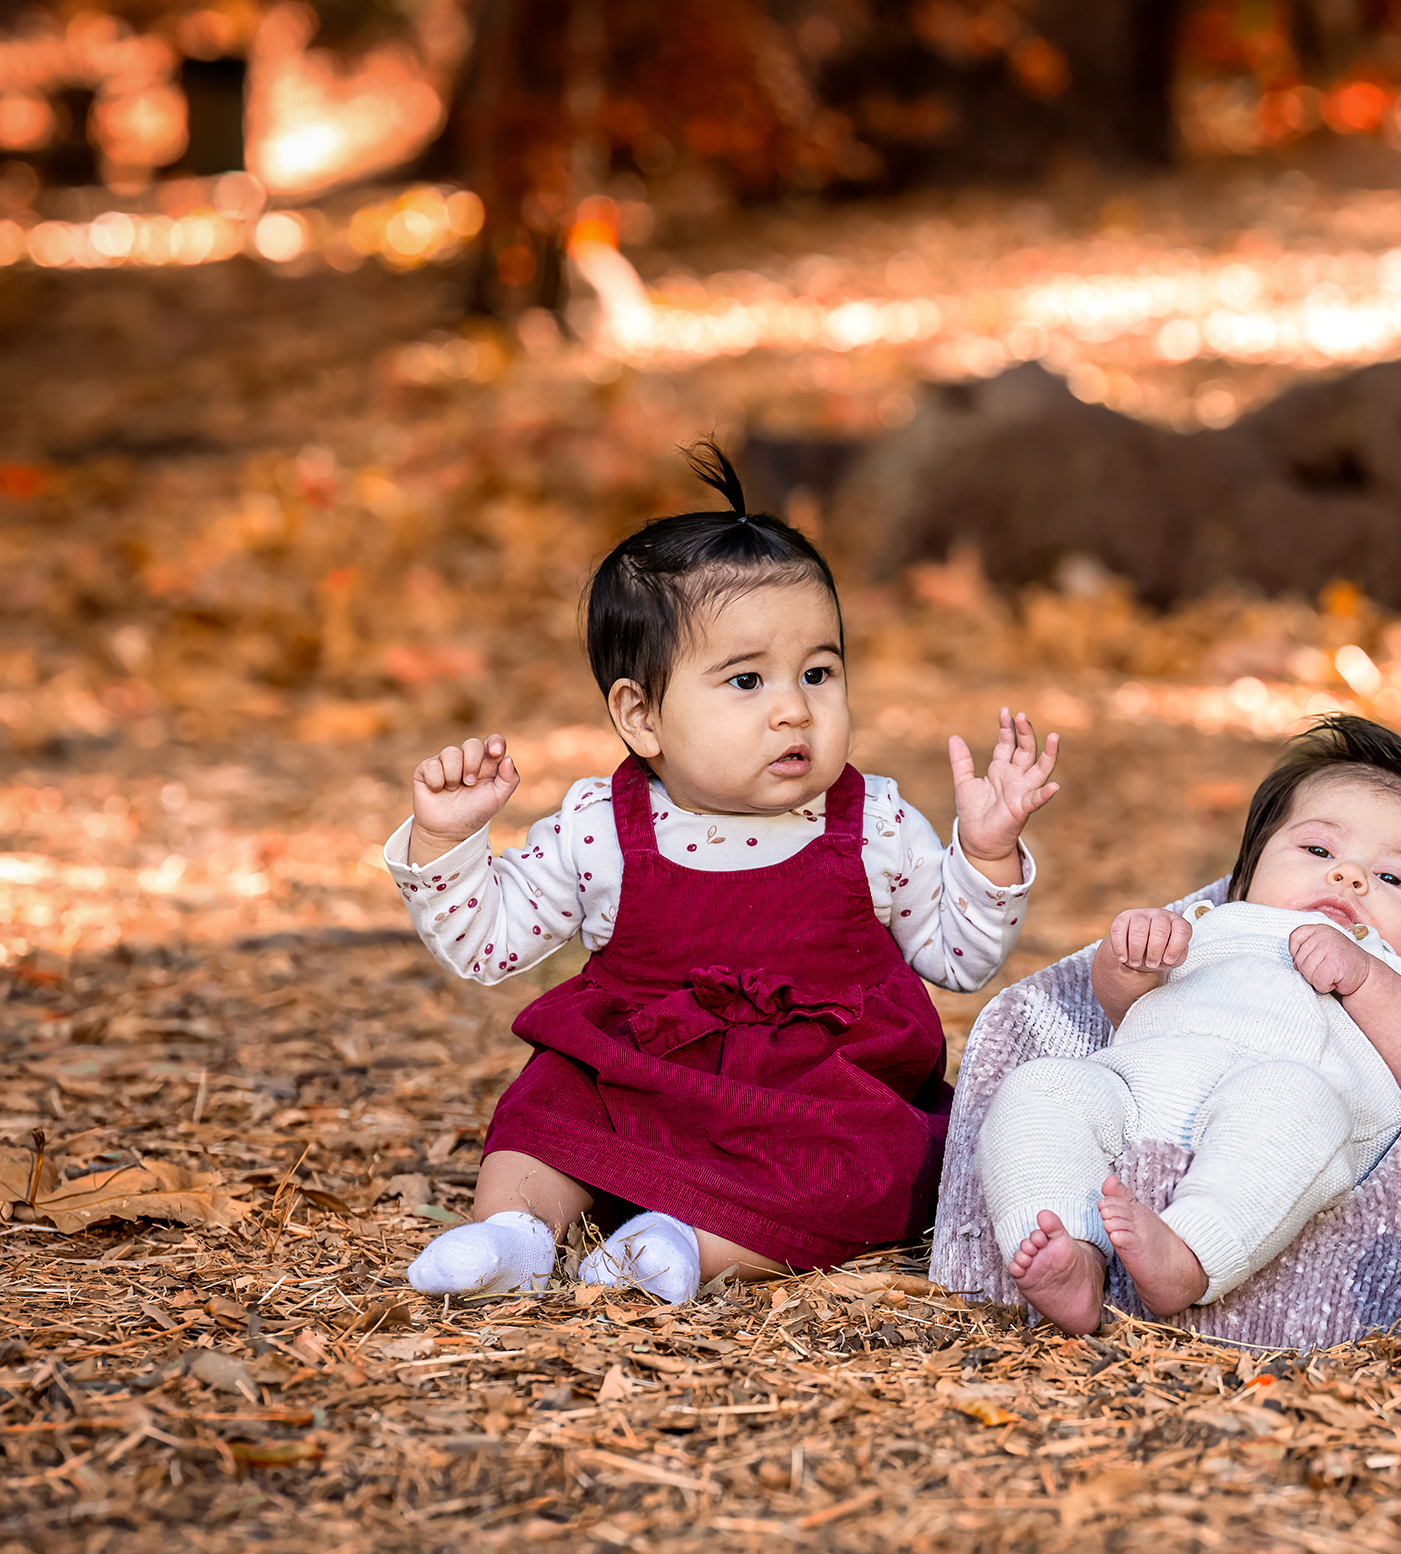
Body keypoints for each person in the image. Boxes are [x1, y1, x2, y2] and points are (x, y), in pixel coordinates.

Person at [387, 445, 1060, 1304]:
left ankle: (685, 1248)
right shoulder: (603, 828)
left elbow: (958, 959)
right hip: (639, 1077)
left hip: (812, 1097)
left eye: (818, 672)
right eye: (746, 679)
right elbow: (490, 944)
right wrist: (449, 841)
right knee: (548, 1105)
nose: (793, 706)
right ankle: (516, 1231)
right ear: (642, 716)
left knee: (870, 1164)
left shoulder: (874, 825)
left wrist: (987, 850)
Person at [985, 715, 1401, 1335]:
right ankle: (1070, 1251)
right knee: (1040, 1089)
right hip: (1136, 1089)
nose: (1350, 876)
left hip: (1281, 1108)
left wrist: (1369, 978)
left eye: (1392, 878)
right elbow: (1125, 1013)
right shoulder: (1212, 924)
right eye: (1318, 850)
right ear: (1246, 875)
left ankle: (1190, 1255)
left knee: (1293, 1101)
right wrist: (1130, 959)